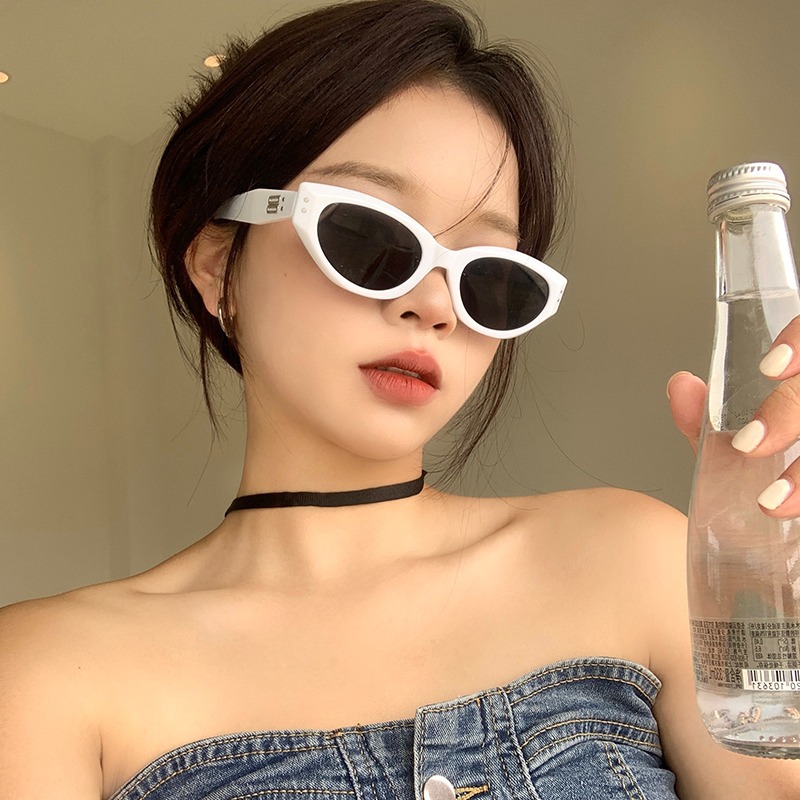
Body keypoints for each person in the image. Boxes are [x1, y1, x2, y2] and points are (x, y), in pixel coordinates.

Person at [2, 1, 800, 797]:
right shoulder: (47, 676)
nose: (435, 304)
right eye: (368, 236)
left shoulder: (634, 559)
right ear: (218, 267)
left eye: (488, 273)